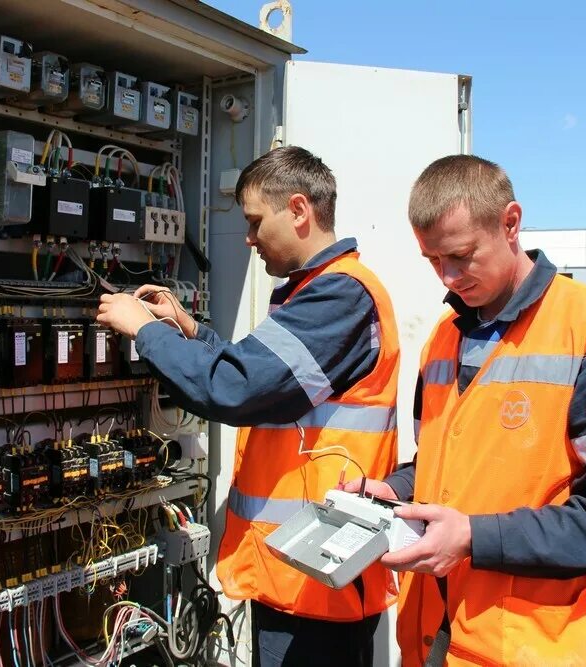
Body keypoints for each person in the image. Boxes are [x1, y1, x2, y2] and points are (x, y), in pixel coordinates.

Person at [346, 155, 586, 665]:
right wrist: (391, 492)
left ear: (511, 222)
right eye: (432, 260)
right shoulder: (443, 340)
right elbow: (434, 463)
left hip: (531, 644)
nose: (448, 277)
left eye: (460, 255)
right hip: (435, 637)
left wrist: (477, 537)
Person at [96, 146, 401, 666]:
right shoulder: (321, 293)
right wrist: (191, 332)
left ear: (300, 210)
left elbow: (238, 390)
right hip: (303, 570)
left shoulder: (338, 297)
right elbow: (264, 381)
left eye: (257, 221)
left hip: (315, 580)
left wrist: (143, 329)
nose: (249, 238)